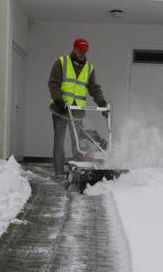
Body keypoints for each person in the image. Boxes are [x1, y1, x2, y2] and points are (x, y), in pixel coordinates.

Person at [48, 38, 107, 177]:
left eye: (84, 51)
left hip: (77, 111)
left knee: (78, 143)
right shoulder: (61, 63)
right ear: (74, 48)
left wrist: (102, 103)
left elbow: (94, 89)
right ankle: (59, 171)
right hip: (61, 109)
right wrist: (58, 100)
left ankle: (77, 171)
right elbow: (53, 83)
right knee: (59, 141)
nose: (82, 54)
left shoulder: (89, 68)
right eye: (80, 51)